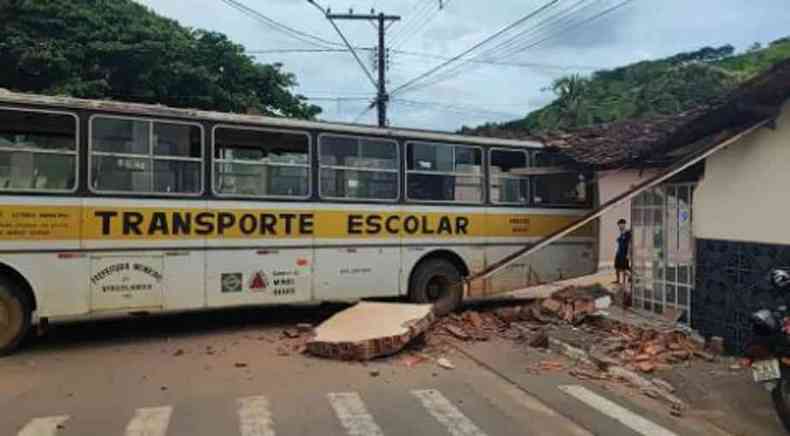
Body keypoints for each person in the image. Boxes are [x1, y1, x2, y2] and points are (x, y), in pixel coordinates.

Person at [614, 218, 632, 285]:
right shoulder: (621, 232)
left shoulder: (627, 233)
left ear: (623, 224)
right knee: (617, 267)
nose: (619, 226)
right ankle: (618, 280)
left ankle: (631, 278)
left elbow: (629, 244)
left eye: (620, 225)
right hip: (619, 253)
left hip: (624, 253)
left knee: (624, 269)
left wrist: (628, 254)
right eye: (618, 225)